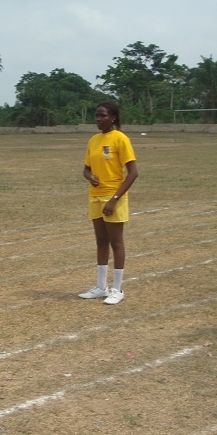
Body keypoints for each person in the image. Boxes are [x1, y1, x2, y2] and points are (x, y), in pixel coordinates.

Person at [79, 102, 138, 305]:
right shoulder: (93, 140)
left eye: (102, 115)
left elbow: (133, 173)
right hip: (95, 197)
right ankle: (100, 287)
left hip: (113, 197)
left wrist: (114, 199)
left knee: (116, 242)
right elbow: (86, 169)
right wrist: (90, 177)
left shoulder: (120, 139)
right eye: (96, 115)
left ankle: (117, 289)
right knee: (101, 241)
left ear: (113, 117)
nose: (98, 119)